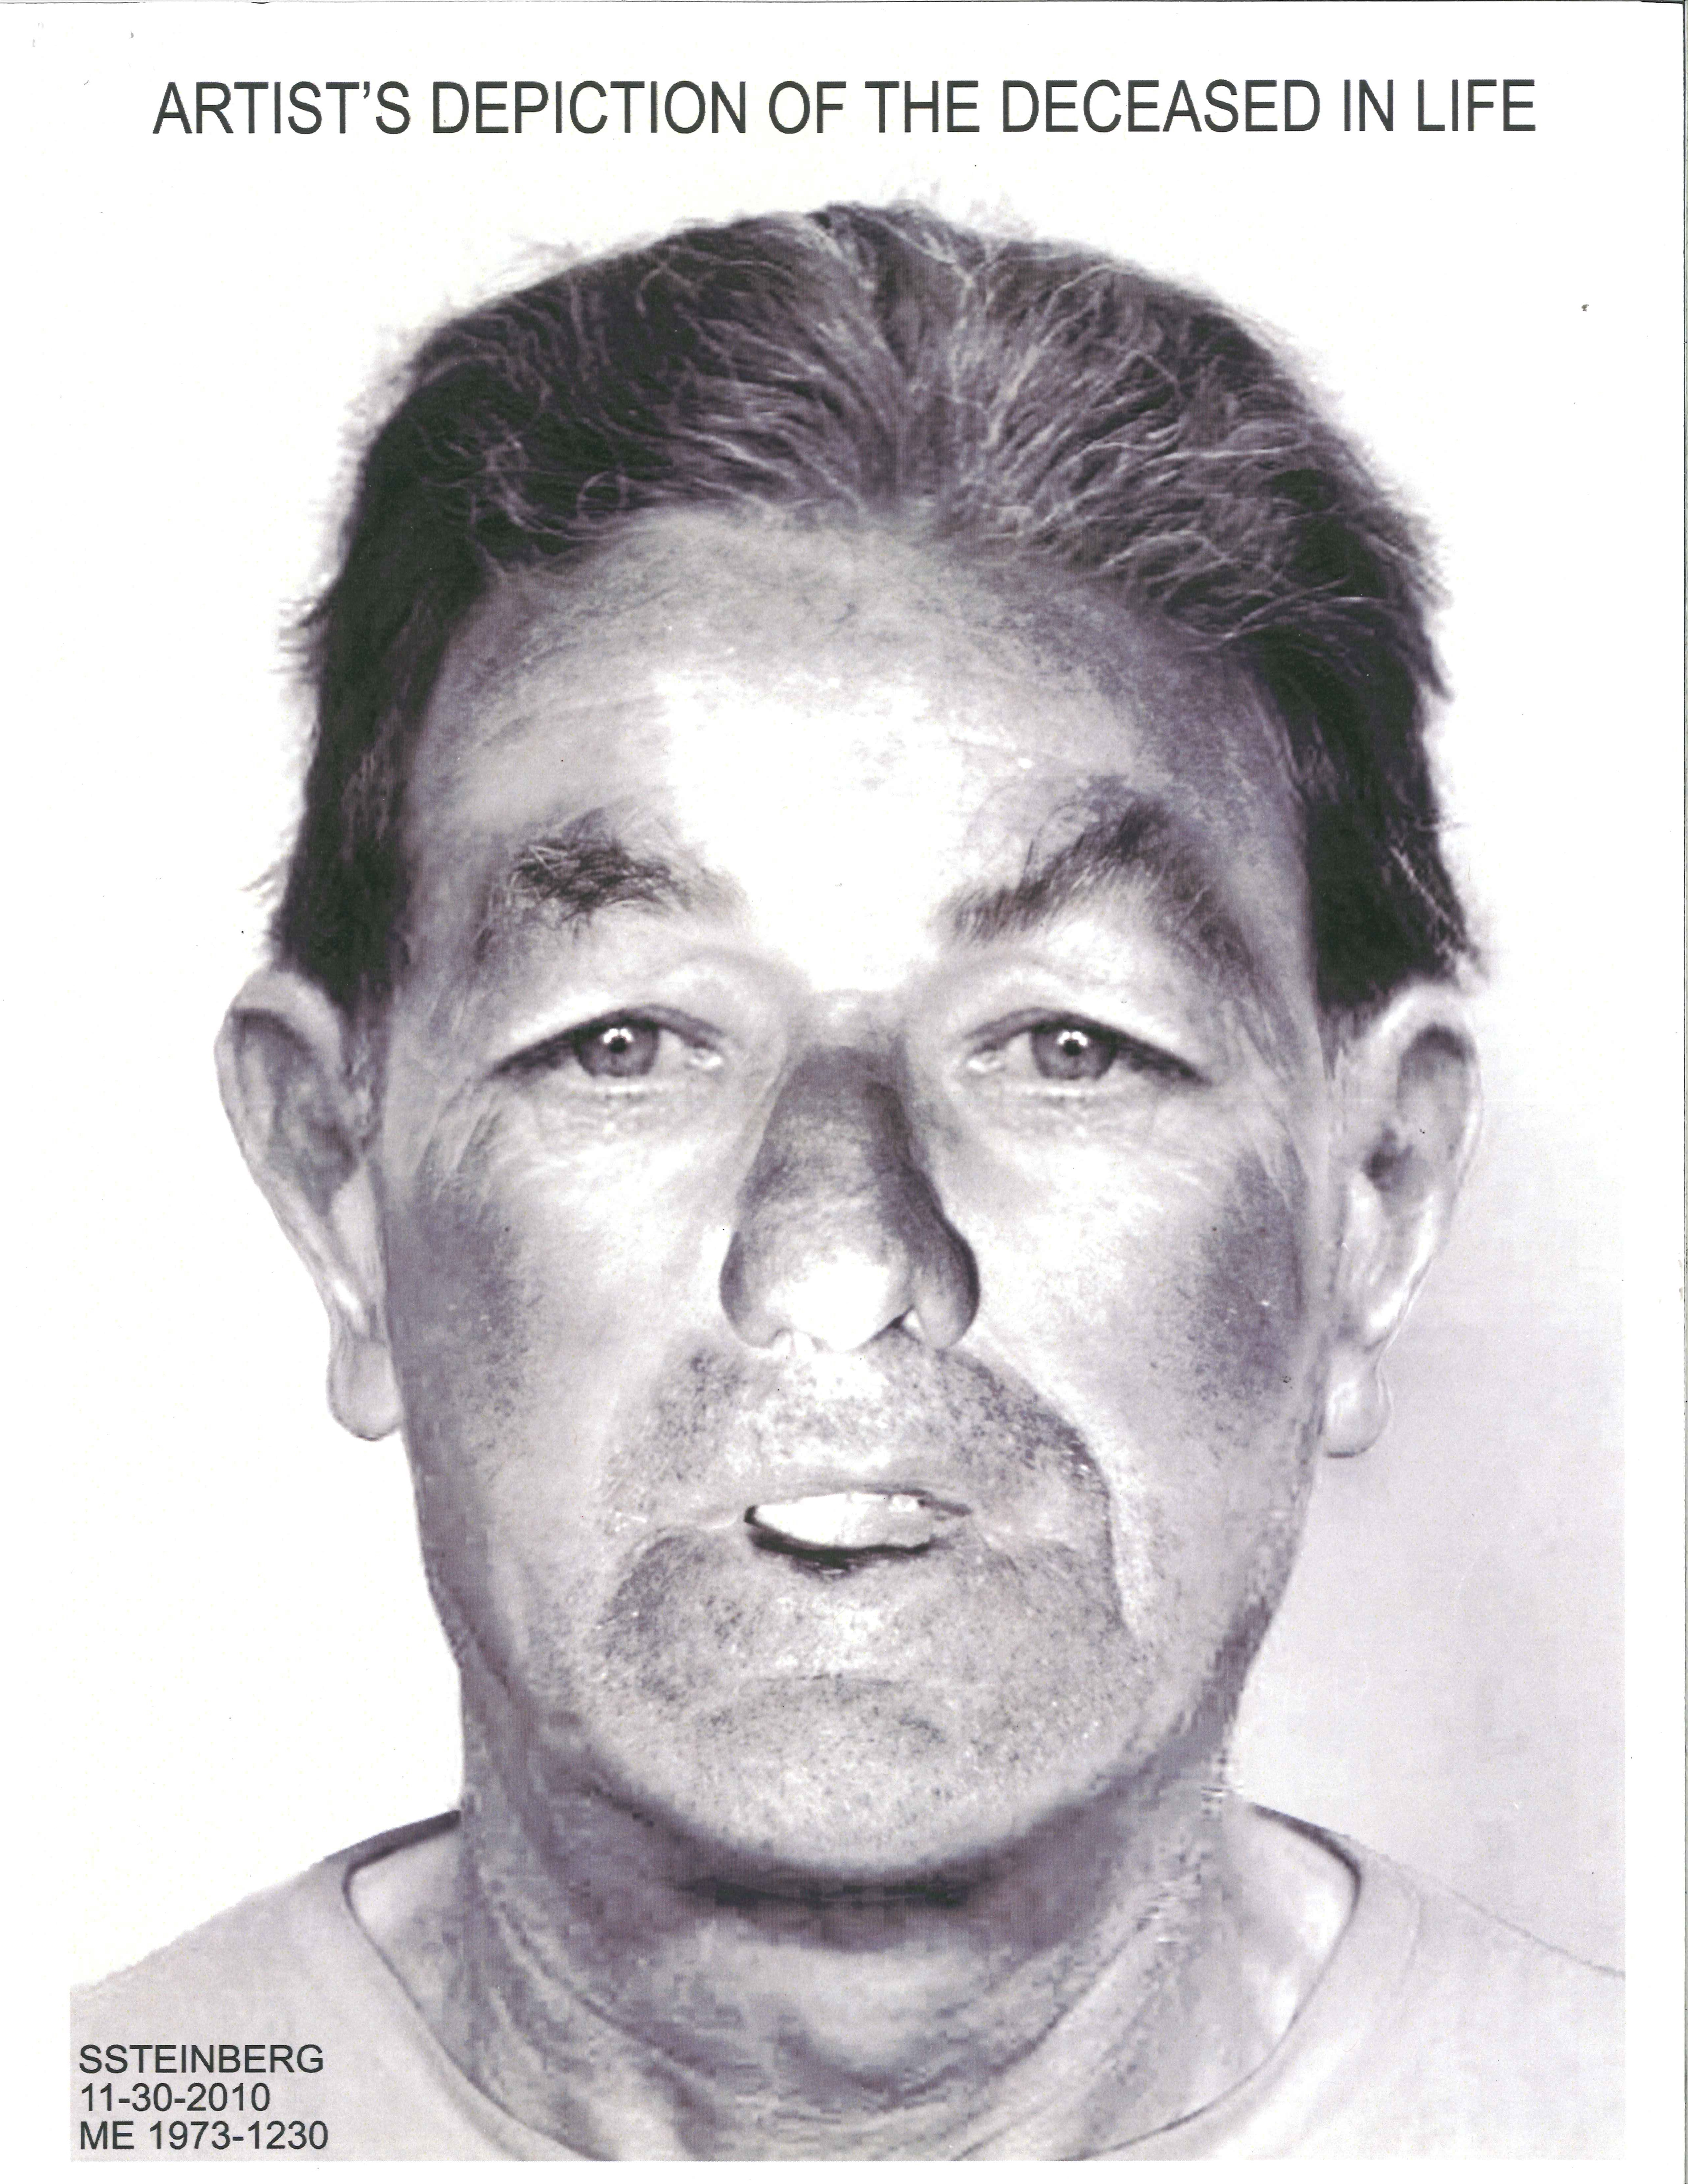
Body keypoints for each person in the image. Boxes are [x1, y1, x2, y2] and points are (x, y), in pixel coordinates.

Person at [72, 203, 1620, 2160]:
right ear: (340, 1182)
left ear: (1372, 1193)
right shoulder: (104, 2123)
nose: (840, 1258)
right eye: (627, 1040)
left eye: (1070, 1042)